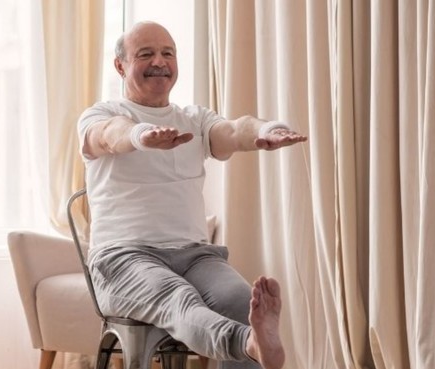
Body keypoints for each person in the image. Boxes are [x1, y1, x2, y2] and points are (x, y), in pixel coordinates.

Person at [77, 21, 307, 369]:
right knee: (178, 299)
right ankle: (247, 342)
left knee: (241, 300)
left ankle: (254, 339)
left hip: (196, 256)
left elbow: (231, 130)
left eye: (168, 53)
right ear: (120, 65)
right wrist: (142, 135)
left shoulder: (194, 119)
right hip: (123, 259)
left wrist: (266, 130)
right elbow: (110, 135)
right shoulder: (102, 114)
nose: (160, 61)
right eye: (146, 54)